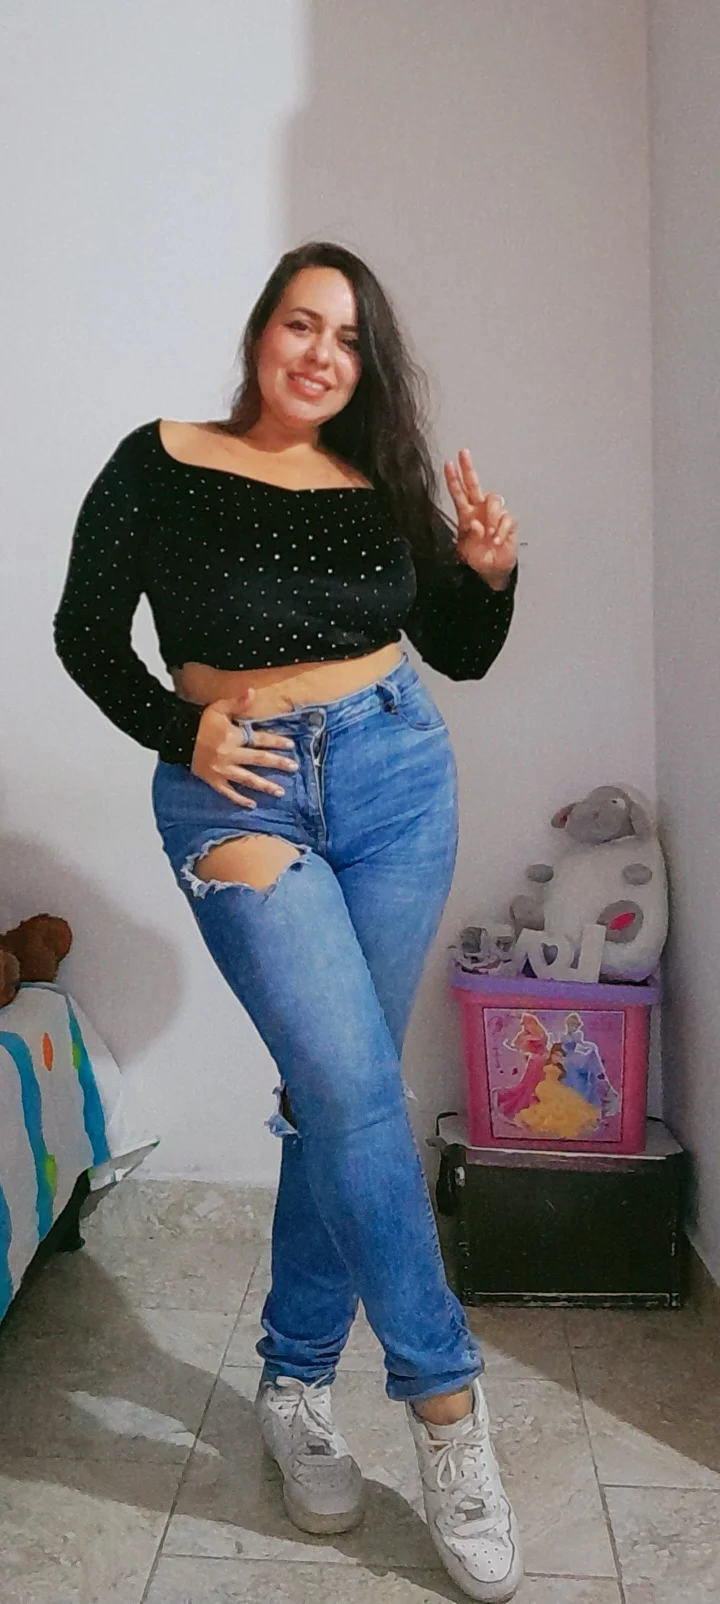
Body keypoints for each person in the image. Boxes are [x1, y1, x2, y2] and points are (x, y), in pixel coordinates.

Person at [54, 241, 522, 1602]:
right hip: (240, 793)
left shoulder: (377, 484)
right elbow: (85, 633)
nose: (323, 353)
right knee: (354, 1091)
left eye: (350, 338)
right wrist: (181, 728)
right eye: (303, 324)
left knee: (340, 1094)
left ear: (366, 366)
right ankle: (449, 1412)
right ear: (263, 330)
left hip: (397, 775)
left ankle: (296, 1382)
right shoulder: (158, 461)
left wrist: (488, 572)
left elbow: (461, 650)